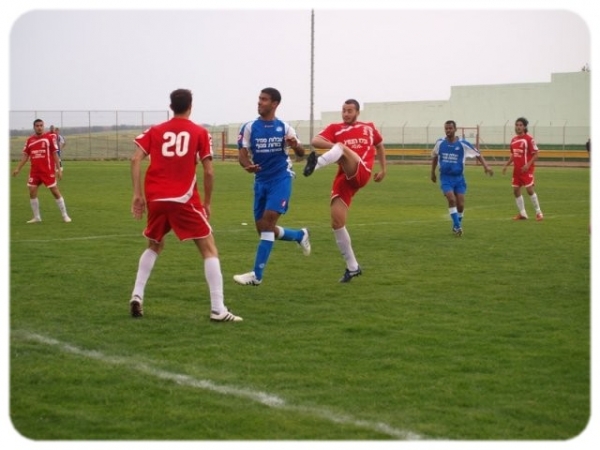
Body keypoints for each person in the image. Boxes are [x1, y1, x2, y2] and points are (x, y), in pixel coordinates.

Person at [129, 88, 242, 322]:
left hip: (156, 198)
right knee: (209, 249)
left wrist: (137, 194)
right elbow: (209, 171)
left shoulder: (155, 130)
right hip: (183, 198)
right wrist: (207, 202)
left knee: (154, 245)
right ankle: (218, 309)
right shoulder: (199, 132)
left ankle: (137, 295)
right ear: (191, 106)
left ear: (171, 107)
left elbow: (135, 158)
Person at [233, 87, 311, 286]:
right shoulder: (249, 127)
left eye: (264, 99)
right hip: (261, 181)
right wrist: (247, 166)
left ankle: (256, 275)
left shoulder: (284, 127)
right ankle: (299, 235)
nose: (260, 102)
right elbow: (242, 154)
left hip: (281, 178)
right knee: (263, 230)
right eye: (259, 98)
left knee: (268, 223)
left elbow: (301, 153)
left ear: (275, 104)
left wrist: (294, 144)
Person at [303, 99, 386, 282]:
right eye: (344, 110)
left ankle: (316, 165)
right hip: (344, 178)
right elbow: (315, 140)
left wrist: (383, 169)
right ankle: (353, 267)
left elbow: (379, 145)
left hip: (362, 170)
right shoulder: (336, 128)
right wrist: (332, 146)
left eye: (350, 111)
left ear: (357, 112)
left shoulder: (368, 127)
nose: (346, 114)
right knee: (337, 222)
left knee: (341, 147)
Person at [430, 120, 494, 236]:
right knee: (451, 199)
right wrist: (432, 173)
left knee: (460, 205)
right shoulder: (440, 143)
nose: (448, 130)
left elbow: (478, 154)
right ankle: (458, 227)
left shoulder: (463, 144)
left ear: (455, 129)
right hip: (445, 177)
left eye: (450, 128)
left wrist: (486, 166)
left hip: (459, 178)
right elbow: (434, 156)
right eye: (446, 128)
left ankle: (456, 225)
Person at [12, 118, 71, 223]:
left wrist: (59, 169)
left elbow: (55, 154)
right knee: (32, 191)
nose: (39, 127)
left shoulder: (49, 138)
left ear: (43, 126)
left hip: (47, 171)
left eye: (41, 125)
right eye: (37, 126)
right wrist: (18, 168)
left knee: (55, 192)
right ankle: (37, 217)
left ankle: (65, 215)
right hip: (35, 172)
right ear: (34, 127)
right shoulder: (30, 140)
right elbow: (25, 155)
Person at [501, 117, 544, 221]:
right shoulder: (513, 140)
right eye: (517, 125)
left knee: (529, 190)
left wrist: (528, 165)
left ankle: (539, 213)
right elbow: (513, 155)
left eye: (520, 125)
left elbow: (536, 154)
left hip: (526, 170)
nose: (518, 127)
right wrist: (506, 165)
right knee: (516, 191)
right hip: (517, 171)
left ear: (524, 127)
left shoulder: (529, 139)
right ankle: (523, 214)